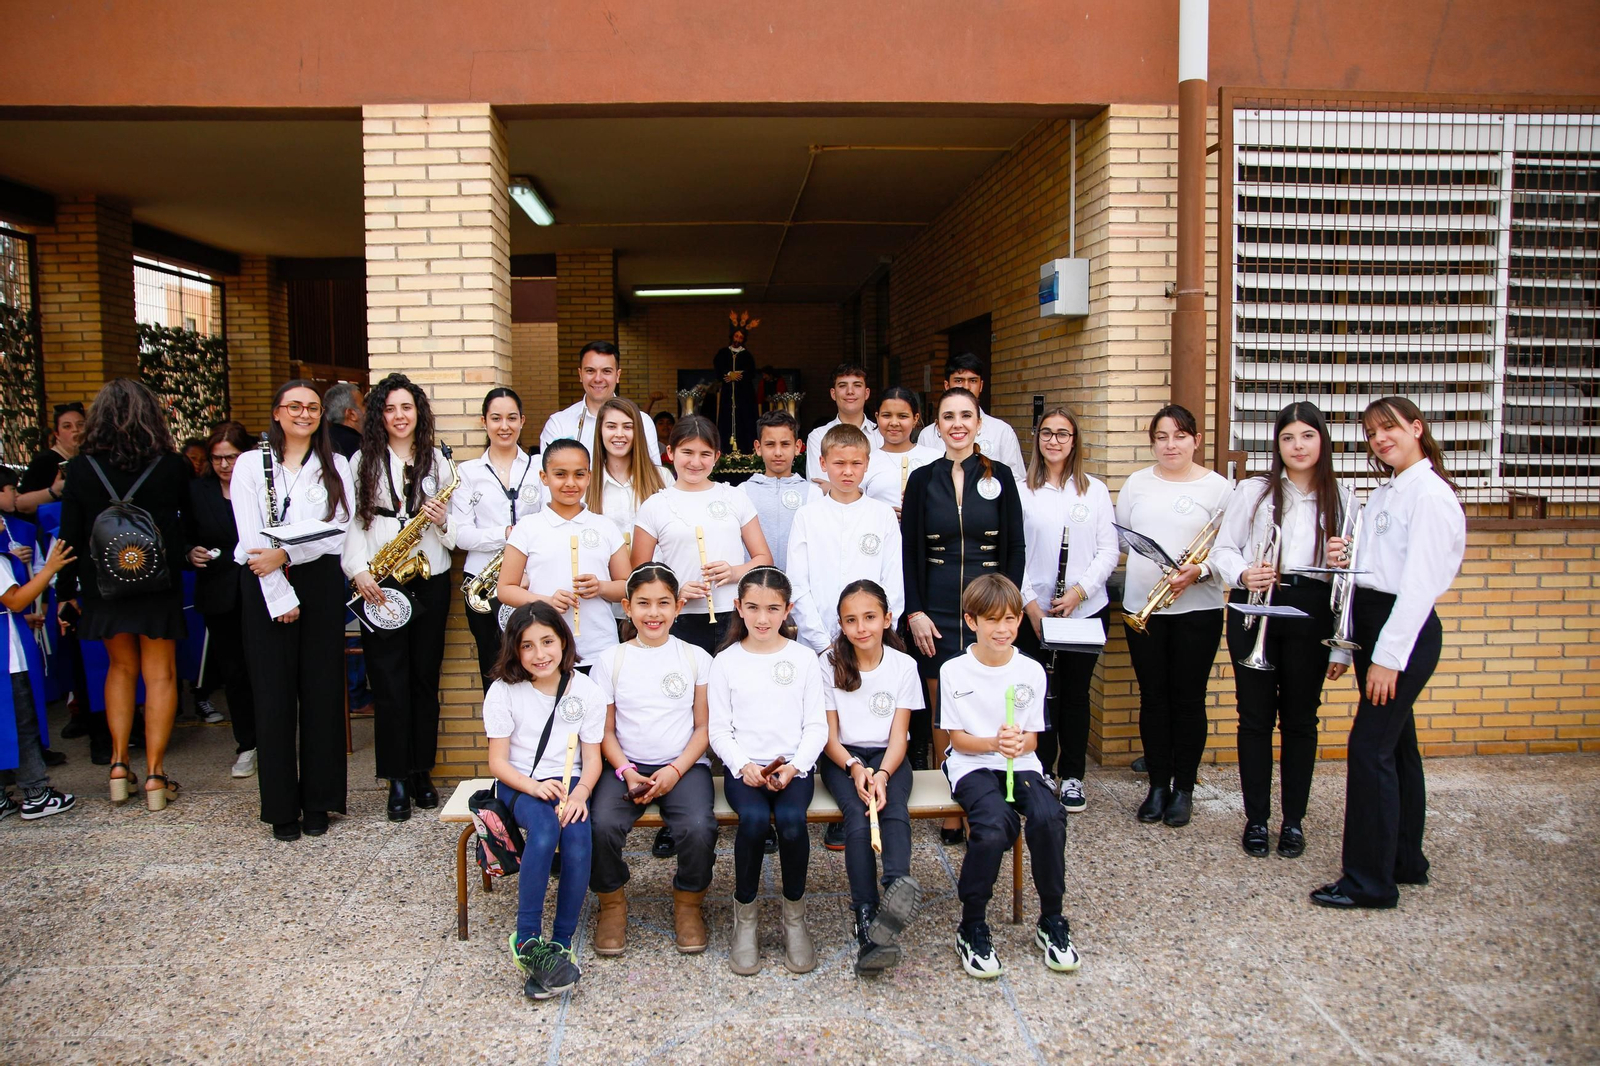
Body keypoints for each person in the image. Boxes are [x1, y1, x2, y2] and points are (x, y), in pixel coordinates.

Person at [1312, 397, 1465, 911]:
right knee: (1398, 747)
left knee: (1369, 749)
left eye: (1390, 428)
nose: (1380, 439)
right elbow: (1369, 568)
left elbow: (1420, 586)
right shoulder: (1387, 493)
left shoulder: (1431, 495)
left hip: (1403, 631)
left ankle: (1368, 883)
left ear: (1417, 428)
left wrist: (1387, 657)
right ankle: (1404, 860)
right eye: (1372, 432)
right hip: (1375, 621)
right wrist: (1344, 554)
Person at [1211, 401, 1351, 859]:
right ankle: (1257, 819)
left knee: (1300, 720)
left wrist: (1341, 647)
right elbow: (1223, 548)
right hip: (1256, 603)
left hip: (1311, 608)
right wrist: (1243, 574)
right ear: (1277, 444)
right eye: (1288, 437)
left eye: (1307, 436)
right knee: (1253, 718)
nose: (1298, 446)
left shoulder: (1343, 497)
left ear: (1322, 440)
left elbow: (1352, 579)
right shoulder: (1253, 492)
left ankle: (1293, 821)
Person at [57, 378, 192, 811]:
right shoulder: (171, 465)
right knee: (160, 675)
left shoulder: (79, 468)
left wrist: (65, 592)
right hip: (157, 580)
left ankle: (118, 765)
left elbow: (70, 536)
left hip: (104, 582)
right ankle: (155, 774)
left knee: (119, 669)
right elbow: (185, 527)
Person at [234, 383, 355, 841]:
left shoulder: (335, 464)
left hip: (318, 581)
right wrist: (279, 592)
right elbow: (250, 535)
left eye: (312, 407)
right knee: (274, 695)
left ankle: (320, 802)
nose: (304, 414)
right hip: (263, 580)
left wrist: (285, 556)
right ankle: (282, 807)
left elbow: (337, 530)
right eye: (295, 406)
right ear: (277, 413)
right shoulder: (251, 463)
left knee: (322, 692)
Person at [901, 386, 1025, 833]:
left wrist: (1006, 609)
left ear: (978, 423)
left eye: (965, 415)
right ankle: (951, 807)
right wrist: (914, 610)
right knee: (940, 706)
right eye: (948, 416)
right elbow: (909, 549)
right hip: (935, 606)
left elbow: (1015, 544)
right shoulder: (922, 478)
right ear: (937, 425)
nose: (957, 424)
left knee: (984, 703)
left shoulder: (1002, 476)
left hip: (987, 604)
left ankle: (981, 802)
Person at [942, 574, 1079, 979]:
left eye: (1010, 620)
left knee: (1049, 817)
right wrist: (992, 743)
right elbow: (958, 741)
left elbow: (1034, 739)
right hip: (972, 764)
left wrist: (1018, 745)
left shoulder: (1032, 670)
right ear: (971, 622)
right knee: (992, 826)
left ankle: (1051, 918)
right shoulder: (954, 670)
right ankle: (972, 925)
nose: (1002, 630)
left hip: (1020, 765)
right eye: (992, 621)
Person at [588, 563, 717, 955]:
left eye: (663, 603)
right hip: (625, 766)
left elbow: (703, 729)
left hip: (684, 765)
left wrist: (676, 770)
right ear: (627, 607)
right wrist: (626, 771)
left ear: (679, 607)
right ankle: (611, 903)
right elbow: (605, 733)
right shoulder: (610, 660)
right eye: (643, 603)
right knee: (601, 824)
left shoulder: (696, 658)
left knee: (698, 826)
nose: (654, 613)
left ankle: (688, 902)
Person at [343, 372, 455, 823]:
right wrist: (359, 571)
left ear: (418, 412)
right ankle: (397, 778)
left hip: (431, 574)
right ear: (379, 416)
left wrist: (443, 520)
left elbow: (453, 531)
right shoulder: (361, 462)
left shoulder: (438, 461)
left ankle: (421, 770)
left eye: (406, 407)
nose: (399, 416)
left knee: (424, 680)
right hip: (381, 579)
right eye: (389, 409)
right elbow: (352, 523)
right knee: (388, 684)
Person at [1115, 404, 1231, 829]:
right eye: (1162, 437)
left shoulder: (1218, 488)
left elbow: (1229, 547)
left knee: (1188, 699)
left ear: (1196, 440)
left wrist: (1199, 570)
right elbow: (1126, 537)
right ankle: (1158, 785)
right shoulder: (1137, 483)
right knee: (1153, 697)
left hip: (1197, 608)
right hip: (1145, 606)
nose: (1171, 445)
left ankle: (1184, 788)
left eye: (1180, 436)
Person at [708, 567, 827, 976]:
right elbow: (719, 729)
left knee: (793, 822)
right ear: (738, 607)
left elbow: (816, 726)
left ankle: (795, 918)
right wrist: (743, 765)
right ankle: (746, 921)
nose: (762, 618)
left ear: (787, 610)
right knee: (755, 822)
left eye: (773, 608)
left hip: (793, 768)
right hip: (746, 771)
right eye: (753, 608)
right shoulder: (725, 662)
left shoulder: (803, 658)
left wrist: (795, 766)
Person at [486, 601, 604, 1000]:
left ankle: (560, 943)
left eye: (548, 642)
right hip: (520, 783)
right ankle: (527, 938)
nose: (540, 654)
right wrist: (533, 786)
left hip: (570, 782)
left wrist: (582, 793)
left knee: (578, 835)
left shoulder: (585, 689)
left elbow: (593, 760)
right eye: (528, 646)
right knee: (546, 828)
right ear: (515, 650)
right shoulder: (504, 690)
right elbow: (498, 762)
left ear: (564, 640)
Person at [818, 579, 923, 975]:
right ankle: (866, 919)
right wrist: (855, 768)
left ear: (887, 618)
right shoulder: (827, 663)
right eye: (851, 620)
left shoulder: (904, 666)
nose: (861, 627)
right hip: (841, 758)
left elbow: (900, 736)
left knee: (892, 808)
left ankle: (897, 887)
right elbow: (828, 737)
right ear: (841, 625)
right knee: (858, 824)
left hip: (888, 758)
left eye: (869, 617)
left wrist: (880, 773)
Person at [1016, 406, 1118, 813]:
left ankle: (1072, 775)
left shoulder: (1093, 490)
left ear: (1074, 441)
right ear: (1037, 439)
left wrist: (1079, 591)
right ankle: (1039, 769)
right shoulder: (1022, 490)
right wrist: (1033, 608)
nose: (1054, 440)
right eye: (1046, 433)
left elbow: (1109, 550)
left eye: (1063, 433)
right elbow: (1015, 553)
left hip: (1084, 611)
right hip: (1033, 612)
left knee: (1075, 695)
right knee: (1037, 696)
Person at [631, 416, 773, 655]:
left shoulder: (734, 497)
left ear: (717, 456)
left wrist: (734, 571)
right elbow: (638, 574)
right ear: (670, 452)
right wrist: (674, 590)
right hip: (679, 617)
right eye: (687, 452)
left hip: (734, 613)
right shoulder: (654, 505)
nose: (695, 462)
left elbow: (764, 558)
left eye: (705, 454)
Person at [496, 439, 629, 671]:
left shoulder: (604, 526)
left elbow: (628, 586)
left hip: (599, 647)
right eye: (560, 474)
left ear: (589, 476)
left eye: (579, 474)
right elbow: (505, 589)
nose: (570, 483)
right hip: (545, 651)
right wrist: (545, 602)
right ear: (544, 477)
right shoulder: (528, 527)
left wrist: (600, 587)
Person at [183, 421, 259, 780]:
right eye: (217, 459)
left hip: (260, 588)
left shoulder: (260, 487)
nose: (224, 465)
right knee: (234, 673)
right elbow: (183, 535)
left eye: (231, 457)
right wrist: (189, 552)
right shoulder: (198, 492)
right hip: (219, 592)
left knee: (265, 669)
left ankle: (273, 738)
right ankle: (247, 743)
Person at [788, 423, 903, 655]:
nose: (848, 471)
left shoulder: (883, 515)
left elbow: (892, 583)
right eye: (839, 463)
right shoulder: (807, 516)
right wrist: (823, 643)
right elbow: (798, 584)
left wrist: (876, 633)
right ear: (823, 464)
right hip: (816, 644)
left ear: (867, 464)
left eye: (856, 463)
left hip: (870, 641)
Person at [453, 387, 539, 690]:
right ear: (483, 421)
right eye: (496, 418)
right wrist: (504, 535)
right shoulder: (466, 473)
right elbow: (461, 535)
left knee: (536, 666)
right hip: (483, 583)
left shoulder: (539, 468)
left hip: (533, 580)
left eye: (512, 418)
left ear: (522, 421)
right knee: (494, 669)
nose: (505, 426)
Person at [0, 534, 76, 821]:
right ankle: (36, 794)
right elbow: (15, 600)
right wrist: (50, 569)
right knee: (22, 723)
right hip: (6, 656)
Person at [585, 395, 672, 615]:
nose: (619, 434)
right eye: (611, 426)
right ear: (600, 432)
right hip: (605, 606)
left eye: (627, 427)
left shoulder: (662, 479)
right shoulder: (586, 484)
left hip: (657, 604)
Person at [539, 341, 661, 463]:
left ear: (618, 375)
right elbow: (550, 477)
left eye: (606, 371)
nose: (598, 379)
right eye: (590, 371)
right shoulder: (558, 424)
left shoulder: (642, 422)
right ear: (580, 374)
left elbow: (654, 476)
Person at [915, 353, 1026, 481]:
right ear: (946, 386)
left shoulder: (1001, 431)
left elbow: (1016, 482)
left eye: (973, 381)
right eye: (959, 380)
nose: (966, 387)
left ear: (981, 385)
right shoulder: (928, 435)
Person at [738, 410, 820, 571]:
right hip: (755, 585)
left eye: (785, 444)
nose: (777, 452)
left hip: (798, 587)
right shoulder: (743, 492)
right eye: (770, 444)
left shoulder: (813, 493)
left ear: (797, 447)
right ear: (758, 447)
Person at [861, 386, 940, 517]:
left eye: (902, 416)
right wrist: (883, 515)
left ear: (915, 418)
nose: (894, 422)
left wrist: (916, 513)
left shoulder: (934, 459)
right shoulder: (864, 463)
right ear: (877, 417)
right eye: (886, 415)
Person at [804, 363, 883, 486]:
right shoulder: (818, 436)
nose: (850, 391)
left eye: (857, 385)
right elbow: (818, 487)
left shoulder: (881, 434)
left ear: (866, 393)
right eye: (842, 386)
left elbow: (885, 482)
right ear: (833, 393)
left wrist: (838, 487)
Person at [16, 401, 84, 515]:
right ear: (57, 434)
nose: (75, 430)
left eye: (81, 424)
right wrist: (53, 492)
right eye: (67, 426)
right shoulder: (45, 462)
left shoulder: (88, 458)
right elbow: (21, 504)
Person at [713, 324, 758, 453]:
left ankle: (744, 450)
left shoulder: (746, 355)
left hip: (743, 395)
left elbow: (751, 372)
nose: (738, 339)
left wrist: (739, 375)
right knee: (727, 420)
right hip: (728, 395)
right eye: (736, 336)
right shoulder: (723, 353)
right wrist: (728, 374)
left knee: (743, 421)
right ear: (732, 336)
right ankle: (726, 450)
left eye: (741, 337)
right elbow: (718, 368)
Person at [324, 382, 366, 460]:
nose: (368, 409)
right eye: (363, 405)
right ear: (351, 414)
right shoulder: (360, 447)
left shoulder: (322, 441)